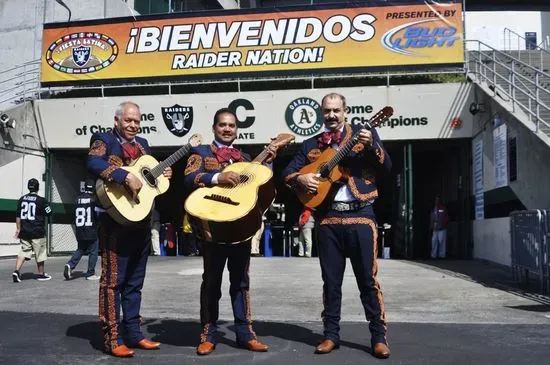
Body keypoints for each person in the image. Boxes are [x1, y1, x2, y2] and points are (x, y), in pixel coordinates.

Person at [282, 93, 392, 359]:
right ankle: (331, 335)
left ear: (345, 111)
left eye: (336, 110)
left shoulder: (365, 134)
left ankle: (378, 337)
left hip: (361, 215)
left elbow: (387, 166)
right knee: (331, 283)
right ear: (322, 114)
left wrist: (370, 147)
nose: (331, 115)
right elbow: (286, 174)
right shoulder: (311, 144)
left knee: (367, 281)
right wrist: (300, 179)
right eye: (327, 111)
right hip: (328, 218)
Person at [183, 108, 277, 356]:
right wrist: (218, 178)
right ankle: (208, 334)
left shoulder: (245, 157)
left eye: (232, 126)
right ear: (214, 127)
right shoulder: (201, 152)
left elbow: (257, 185)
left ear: (237, 130)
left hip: (238, 228)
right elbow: (189, 177)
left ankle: (245, 334)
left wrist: (269, 160)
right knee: (211, 283)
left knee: (241, 283)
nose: (227, 129)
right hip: (212, 228)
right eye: (223, 125)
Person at [87, 101, 172, 358]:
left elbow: (149, 180)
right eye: (128, 120)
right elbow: (93, 163)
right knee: (113, 283)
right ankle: (112, 338)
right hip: (114, 222)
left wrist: (163, 174)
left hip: (142, 220)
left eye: (137, 121)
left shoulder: (144, 145)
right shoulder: (103, 139)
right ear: (117, 121)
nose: (133, 125)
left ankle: (134, 334)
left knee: (135, 283)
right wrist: (123, 176)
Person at [12, 178, 52, 282]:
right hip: (37, 231)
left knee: (24, 251)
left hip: (24, 231)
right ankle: (41, 274)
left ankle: (16, 271)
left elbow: (18, 216)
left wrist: (18, 229)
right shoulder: (41, 200)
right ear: (38, 188)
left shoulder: (22, 199)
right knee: (40, 253)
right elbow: (49, 212)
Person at [64, 179, 100, 281]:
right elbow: (97, 215)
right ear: (93, 189)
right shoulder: (93, 201)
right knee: (93, 251)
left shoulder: (77, 200)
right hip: (91, 230)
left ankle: (70, 265)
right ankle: (90, 273)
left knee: (80, 249)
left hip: (80, 229)